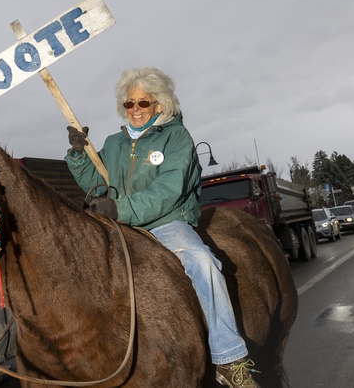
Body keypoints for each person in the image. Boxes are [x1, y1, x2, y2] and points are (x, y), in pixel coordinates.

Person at [64, 66, 258, 388]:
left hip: (166, 223)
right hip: (121, 225)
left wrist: (120, 208)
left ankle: (229, 359)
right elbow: (97, 183)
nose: (136, 110)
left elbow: (168, 191)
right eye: (130, 104)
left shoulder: (176, 137)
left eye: (144, 102)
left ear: (159, 105)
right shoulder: (114, 142)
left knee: (203, 262)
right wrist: (79, 155)